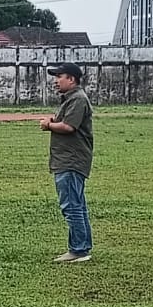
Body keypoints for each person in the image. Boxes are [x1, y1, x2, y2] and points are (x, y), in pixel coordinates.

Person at [40, 63, 95, 263]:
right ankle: (82, 247)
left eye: (59, 76)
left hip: (70, 160)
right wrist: (54, 120)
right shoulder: (71, 99)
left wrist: (49, 125)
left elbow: (69, 127)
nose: (56, 81)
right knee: (77, 205)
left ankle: (78, 250)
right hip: (69, 159)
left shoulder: (78, 99)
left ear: (71, 79)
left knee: (71, 205)